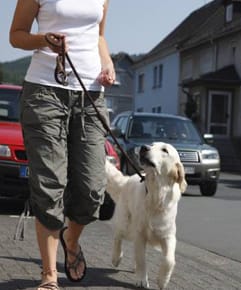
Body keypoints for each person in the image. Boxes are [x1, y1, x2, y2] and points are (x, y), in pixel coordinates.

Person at [9, 0, 115, 289]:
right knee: (49, 185)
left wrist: (107, 62)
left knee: (93, 190)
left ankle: (71, 239)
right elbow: (16, 35)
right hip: (44, 92)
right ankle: (48, 276)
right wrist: (44, 40)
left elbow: (99, 36)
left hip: (90, 94)